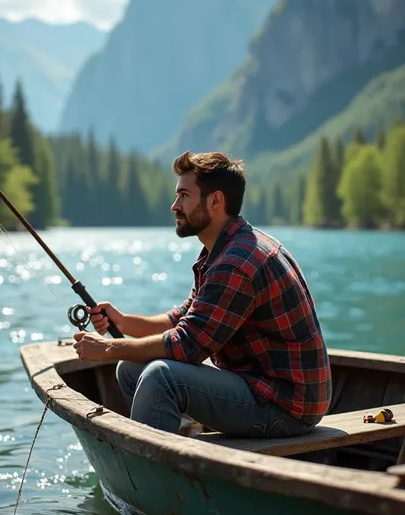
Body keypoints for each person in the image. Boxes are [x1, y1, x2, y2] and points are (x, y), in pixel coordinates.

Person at [73, 151, 331, 438]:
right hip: (258, 388)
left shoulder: (237, 261)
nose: (174, 205)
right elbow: (184, 319)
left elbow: (188, 345)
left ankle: (155, 472)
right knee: (131, 368)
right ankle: (176, 442)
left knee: (161, 378)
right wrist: (122, 322)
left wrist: (107, 349)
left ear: (216, 201)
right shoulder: (226, 249)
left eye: (184, 195)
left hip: (286, 409)